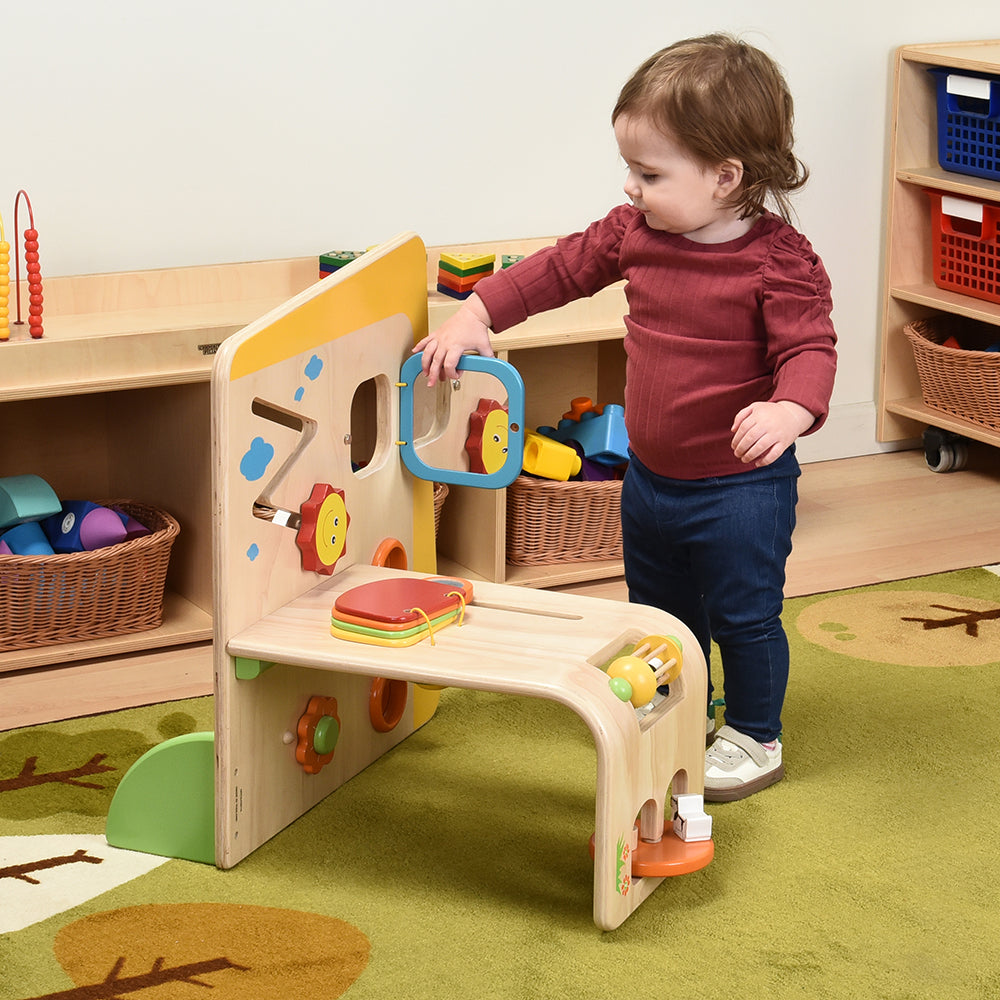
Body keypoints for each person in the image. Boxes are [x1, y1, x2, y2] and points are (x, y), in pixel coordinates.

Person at [414, 33, 837, 801]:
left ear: (725, 177)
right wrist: (477, 312)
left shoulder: (779, 262)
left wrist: (790, 408)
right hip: (650, 481)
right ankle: (678, 707)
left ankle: (754, 734)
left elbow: (812, 346)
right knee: (658, 612)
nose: (633, 189)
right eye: (630, 171)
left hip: (742, 489)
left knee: (743, 614)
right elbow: (558, 269)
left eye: (650, 173)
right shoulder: (633, 234)